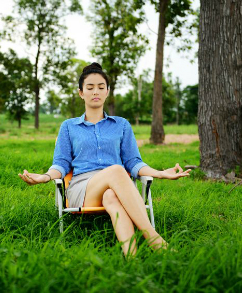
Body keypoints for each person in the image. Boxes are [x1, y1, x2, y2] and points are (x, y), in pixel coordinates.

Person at [19, 62, 191, 256]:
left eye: (101, 87)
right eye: (90, 88)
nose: (96, 92)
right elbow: (61, 163)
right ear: (81, 93)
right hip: (84, 189)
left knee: (111, 196)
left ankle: (132, 258)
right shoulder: (69, 126)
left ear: (107, 91)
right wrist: (45, 177)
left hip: (118, 186)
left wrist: (160, 173)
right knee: (117, 170)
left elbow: (133, 162)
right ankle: (154, 239)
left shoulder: (121, 125)